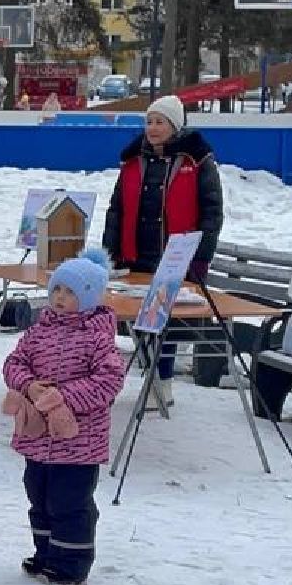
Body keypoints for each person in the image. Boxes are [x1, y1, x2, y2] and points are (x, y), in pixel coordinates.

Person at [0, 248, 126, 585]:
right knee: (38, 494)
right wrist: (29, 385)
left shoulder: (98, 338)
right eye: (57, 289)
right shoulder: (39, 331)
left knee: (69, 501)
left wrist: (64, 396)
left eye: (70, 292)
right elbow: (13, 364)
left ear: (88, 298)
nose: (60, 297)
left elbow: (109, 381)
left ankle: (71, 563)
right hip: (38, 437)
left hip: (79, 442)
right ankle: (46, 553)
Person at [101, 94, 223, 404]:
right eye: (149, 121)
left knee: (163, 323)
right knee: (139, 321)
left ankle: (162, 382)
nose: (153, 128)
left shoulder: (198, 161)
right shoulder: (132, 161)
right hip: (137, 254)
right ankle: (152, 378)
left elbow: (212, 212)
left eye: (161, 122)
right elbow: (116, 209)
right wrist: (109, 249)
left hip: (177, 258)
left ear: (176, 126)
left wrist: (201, 256)